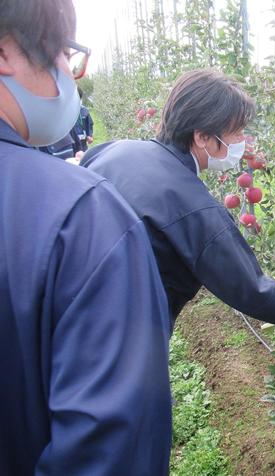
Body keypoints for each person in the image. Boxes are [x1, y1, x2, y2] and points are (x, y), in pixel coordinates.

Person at [0, 1, 172, 474]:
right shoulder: (82, 216)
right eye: (62, 54)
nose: (68, 75)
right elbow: (110, 447)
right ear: (5, 52)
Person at [82, 70, 275, 335]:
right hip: (121, 341)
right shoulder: (195, 207)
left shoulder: (110, 151)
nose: (243, 139)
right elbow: (251, 289)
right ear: (203, 136)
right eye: (237, 131)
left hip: (72, 313)